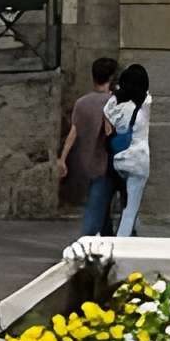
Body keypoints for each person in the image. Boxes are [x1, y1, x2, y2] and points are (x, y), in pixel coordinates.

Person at [59, 54, 119, 237]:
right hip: (107, 163)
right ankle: (85, 245)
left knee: (103, 206)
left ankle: (110, 241)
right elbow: (112, 132)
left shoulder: (81, 102)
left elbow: (73, 133)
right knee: (97, 207)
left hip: (88, 163)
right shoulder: (112, 103)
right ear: (111, 78)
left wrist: (62, 159)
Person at [104, 61, 152, 238]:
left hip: (119, 160)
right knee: (130, 209)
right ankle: (121, 243)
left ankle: (133, 233)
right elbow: (145, 93)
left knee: (125, 199)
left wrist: (116, 92)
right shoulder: (145, 103)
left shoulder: (115, 105)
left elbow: (107, 118)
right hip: (138, 162)